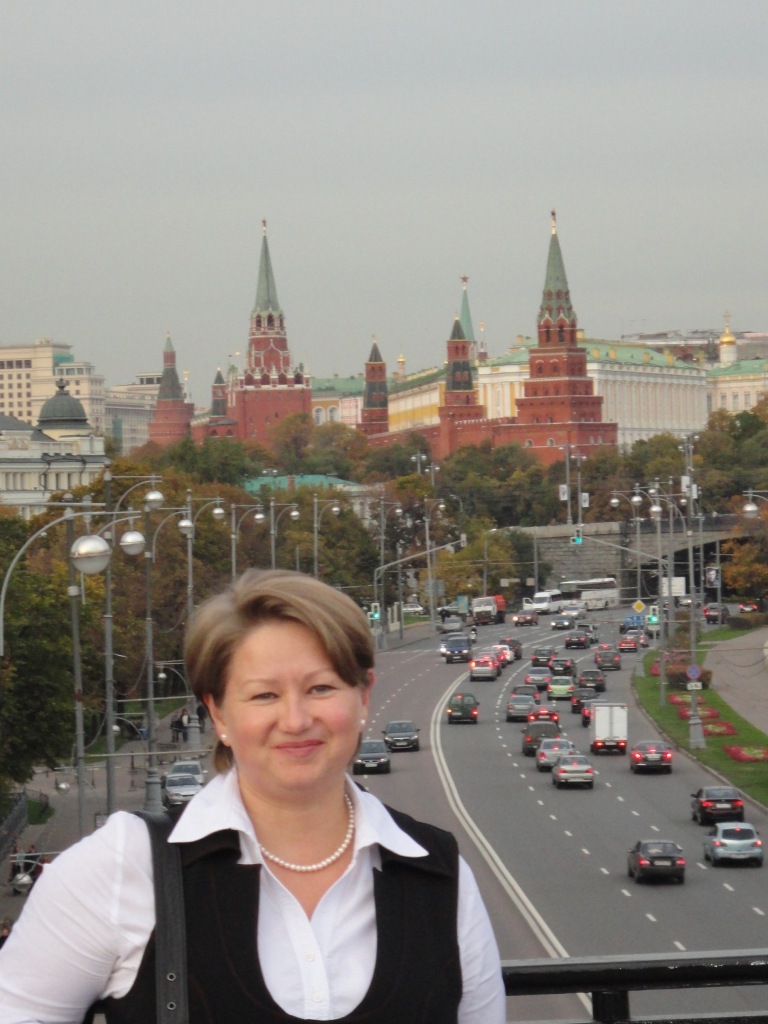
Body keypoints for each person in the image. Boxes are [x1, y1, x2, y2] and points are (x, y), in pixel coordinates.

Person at [0, 569, 505, 1022]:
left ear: (363, 695)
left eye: (321, 688)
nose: (296, 720)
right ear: (218, 713)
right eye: (264, 695)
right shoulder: (126, 867)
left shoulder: (438, 873)